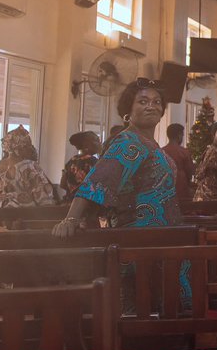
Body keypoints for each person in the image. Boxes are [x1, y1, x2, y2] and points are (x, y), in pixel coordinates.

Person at [53, 78, 182, 234]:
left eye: (156, 102)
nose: (151, 107)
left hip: (162, 233)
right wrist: (71, 220)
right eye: (143, 102)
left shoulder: (150, 144)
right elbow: (95, 183)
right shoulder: (128, 141)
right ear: (128, 111)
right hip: (140, 239)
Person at [0, 126, 54, 208]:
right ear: (23, 146)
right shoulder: (30, 166)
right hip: (26, 217)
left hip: (1, 218)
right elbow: (44, 199)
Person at [60, 131, 101, 202]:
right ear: (86, 144)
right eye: (96, 140)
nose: (99, 143)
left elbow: (62, 184)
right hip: (87, 205)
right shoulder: (93, 162)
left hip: (70, 202)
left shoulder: (71, 161)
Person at [161, 123, 196, 205]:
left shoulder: (161, 151)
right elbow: (190, 171)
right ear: (179, 136)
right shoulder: (184, 152)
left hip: (165, 185)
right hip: (181, 183)